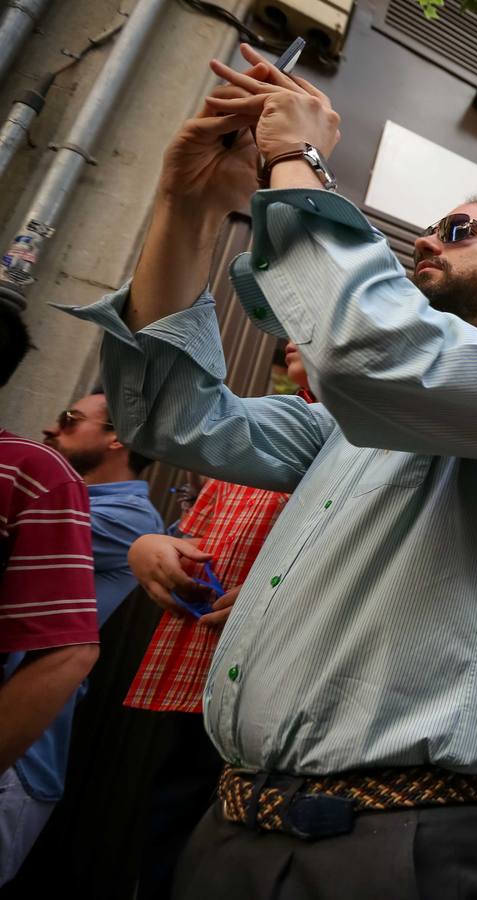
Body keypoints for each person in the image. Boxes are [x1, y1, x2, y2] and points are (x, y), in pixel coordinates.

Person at [63, 46, 477, 900]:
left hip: (397, 847)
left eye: (458, 231)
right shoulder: (345, 428)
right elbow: (170, 415)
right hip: (233, 823)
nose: (425, 238)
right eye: (429, 227)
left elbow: (369, 350)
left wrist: (300, 161)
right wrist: (193, 205)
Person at [121, 343, 310, 900]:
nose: (293, 335)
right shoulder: (250, 429)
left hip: (274, 687)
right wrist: (152, 547)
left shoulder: (364, 439)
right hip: (199, 674)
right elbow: (196, 536)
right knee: (169, 833)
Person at [0, 394, 164, 878]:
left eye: (71, 419)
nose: (52, 428)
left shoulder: (132, 521)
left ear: (120, 438)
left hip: (17, 757)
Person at [0, 309, 100, 886]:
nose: (50, 427)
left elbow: (68, 651)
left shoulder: (42, 479)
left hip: (26, 762)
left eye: (71, 418)